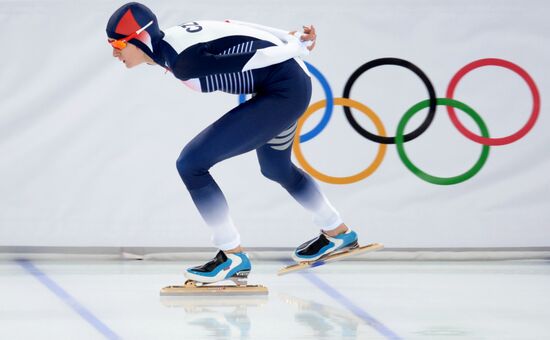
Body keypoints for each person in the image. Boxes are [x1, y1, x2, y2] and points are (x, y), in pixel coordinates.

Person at [106, 2, 359, 284]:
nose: (114, 51)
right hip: (286, 87)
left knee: (191, 164)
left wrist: (294, 47)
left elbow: (255, 57)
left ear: (140, 38)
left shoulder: (183, 63)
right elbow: (230, 24)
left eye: (117, 43)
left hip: (283, 92)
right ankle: (338, 232)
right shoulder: (170, 41)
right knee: (276, 168)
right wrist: (287, 36)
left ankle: (231, 255)